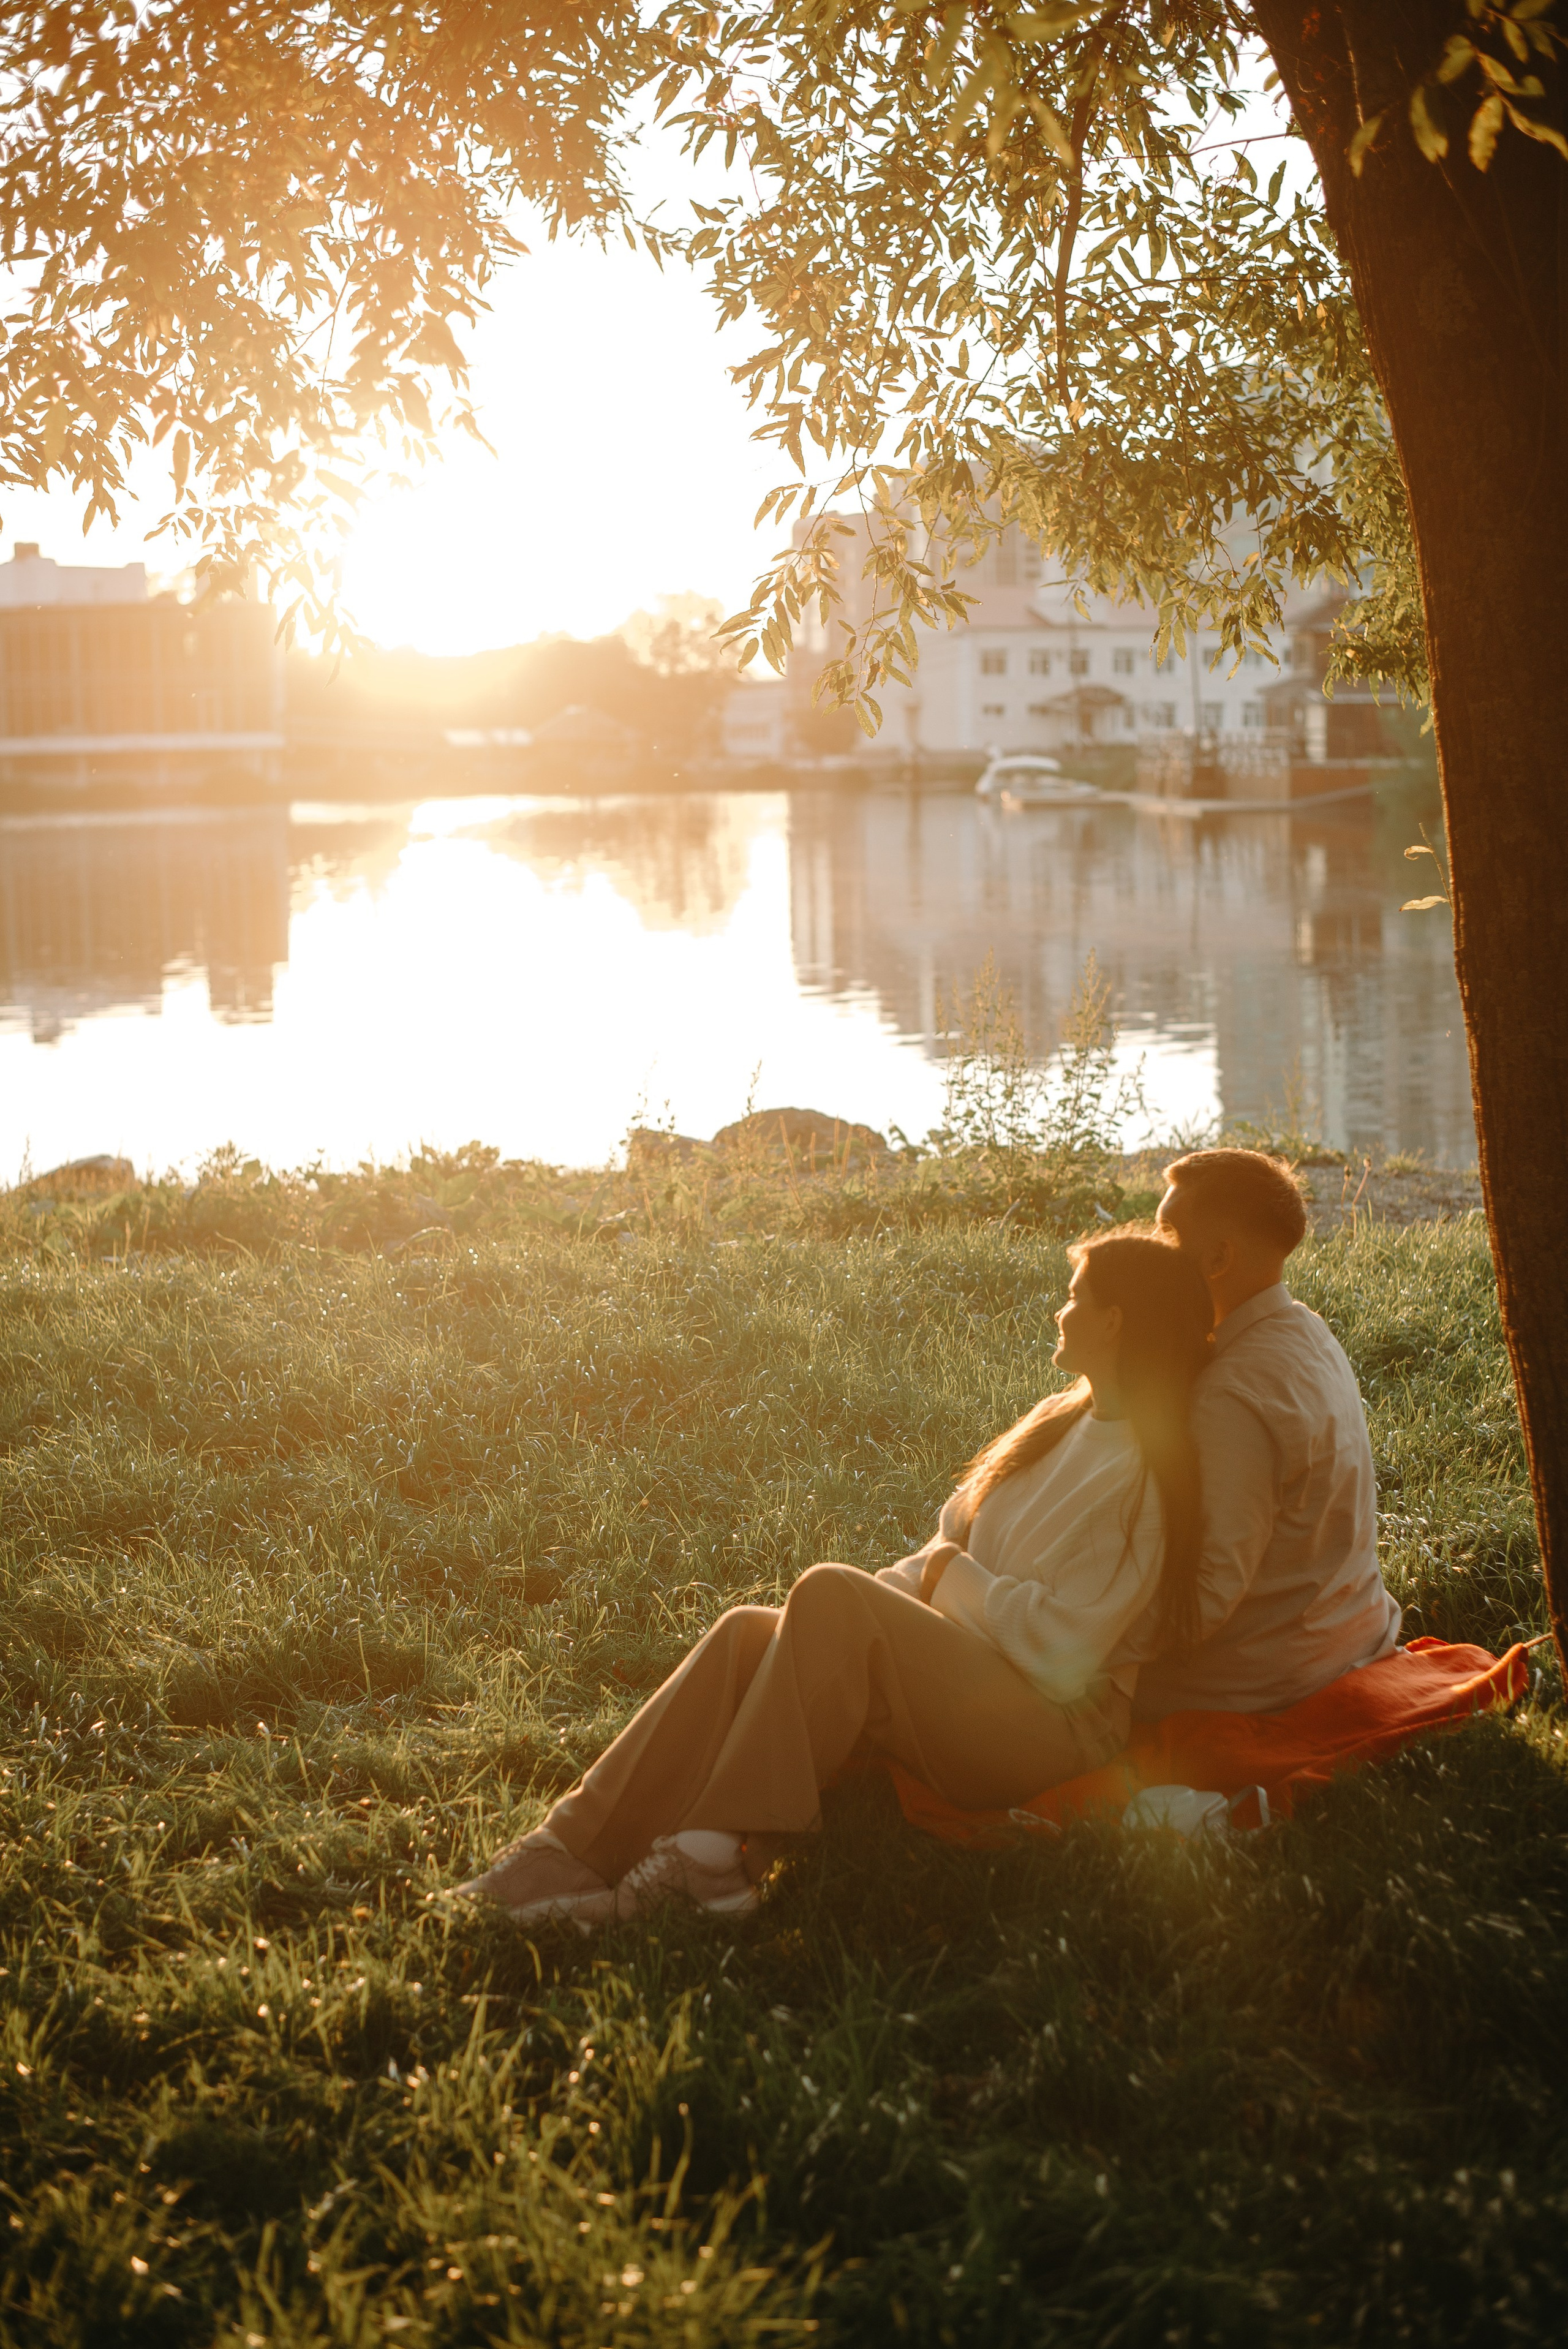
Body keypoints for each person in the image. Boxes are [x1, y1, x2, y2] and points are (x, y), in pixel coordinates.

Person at [459, 1229, 1215, 1928]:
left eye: (1076, 1295)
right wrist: (847, 1623)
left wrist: (939, 1582)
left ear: (1115, 1322)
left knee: (829, 1591)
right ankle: (567, 1849)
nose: (1060, 1309)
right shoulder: (1057, 1419)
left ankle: (711, 1862)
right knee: (750, 1631)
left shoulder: (1147, 1474)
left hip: (1056, 1731)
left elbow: (1062, 1657)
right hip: (983, 1679)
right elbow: (943, 1546)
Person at [1121, 1146, 1401, 1718]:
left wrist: (1080, 1639)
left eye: (1168, 1231)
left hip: (1269, 1676)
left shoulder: (1230, 1394)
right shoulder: (1307, 1330)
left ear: (1219, 1256)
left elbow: (1208, 1596)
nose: (1154, 1248)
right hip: (1350, 1629)